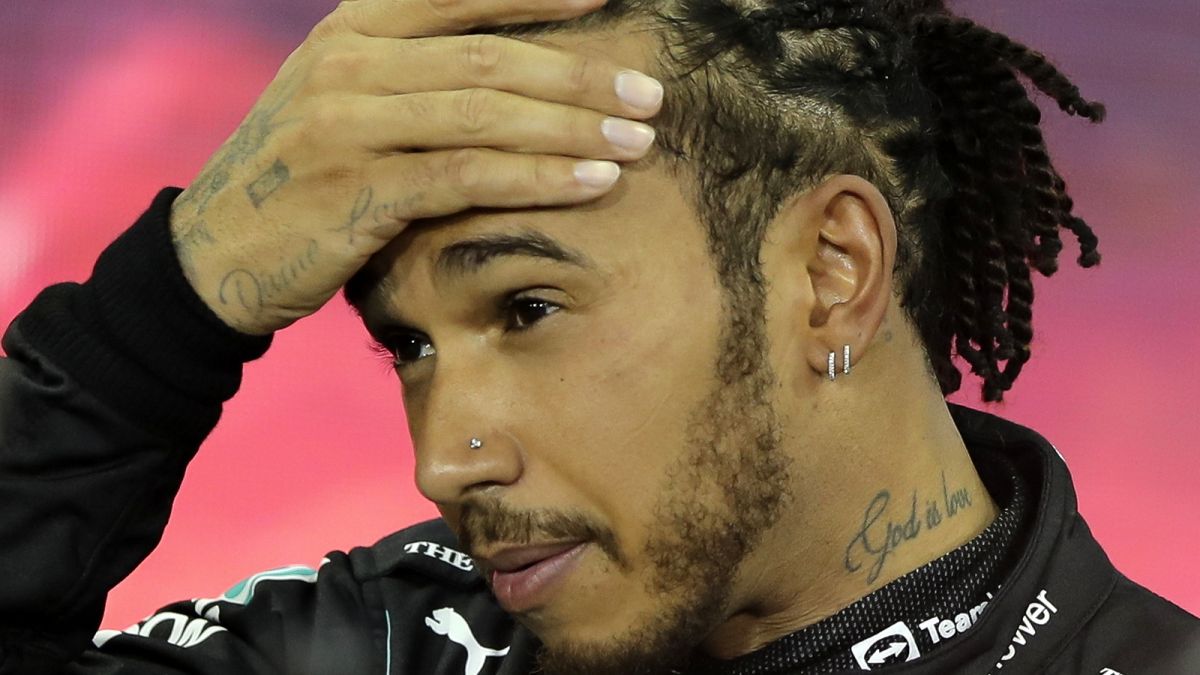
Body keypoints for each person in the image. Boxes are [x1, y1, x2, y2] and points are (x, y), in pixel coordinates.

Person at [1, 0, 1197, 673]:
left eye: (525, 308)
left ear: (831, 270)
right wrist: (168, 302)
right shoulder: (396, 644)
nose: (445, 461)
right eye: (410, 346)